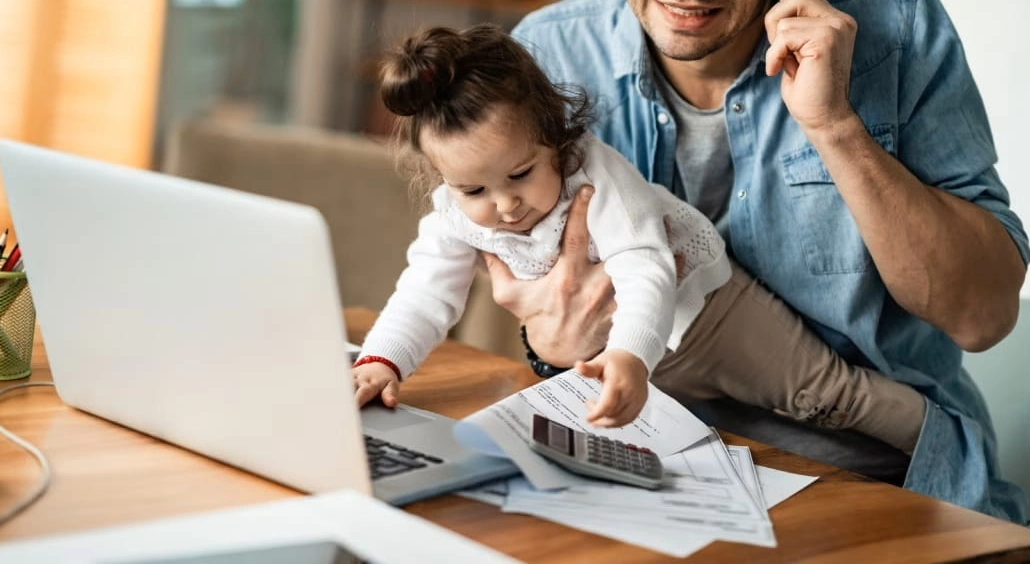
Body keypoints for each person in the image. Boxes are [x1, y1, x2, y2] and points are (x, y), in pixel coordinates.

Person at [496, 0, 1030, 523]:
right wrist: (544, 339)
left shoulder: (901, 34)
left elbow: (983, 316)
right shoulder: (546, 57)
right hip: (637, 458)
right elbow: (532, 296)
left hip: (871, 475)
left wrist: (835, 125)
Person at [353, 24, 924, 452]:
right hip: (634, 358)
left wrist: (629, 355)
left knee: (825, 397)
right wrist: (383, 363)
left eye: (521, 174)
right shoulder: (455, 214)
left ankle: (934, 436)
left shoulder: (596, 176)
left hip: (712, 316)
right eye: (473, 189)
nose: (504, 206)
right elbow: (425, 293)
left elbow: (644, 268)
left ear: (554, 137)